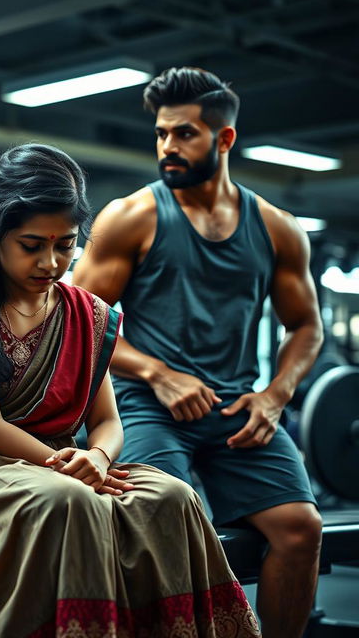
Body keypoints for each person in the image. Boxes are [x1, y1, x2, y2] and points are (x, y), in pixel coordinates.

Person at [0, 143, 261, 638]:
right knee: (68, 501)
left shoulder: (90, 313)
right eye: (31, 245)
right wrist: (72, 472)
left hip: (63, 462)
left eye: (66, 245)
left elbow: (106, 422)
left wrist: (98, 460)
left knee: (172, 496)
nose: (51, 262)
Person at [73, 67, 323, 638]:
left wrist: (276, 396)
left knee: (301, 529)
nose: (168, 146)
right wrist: (156, 373)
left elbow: (306, 325)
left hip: (238, 410)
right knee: (167, 525)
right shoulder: (131, 217)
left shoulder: (278, 229)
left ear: (224, 139)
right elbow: (78, 320)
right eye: (161, 133)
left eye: (184, 133)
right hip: (145, 406)